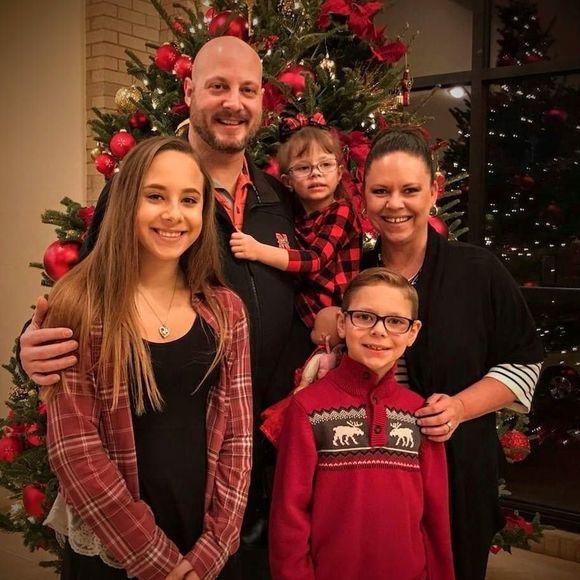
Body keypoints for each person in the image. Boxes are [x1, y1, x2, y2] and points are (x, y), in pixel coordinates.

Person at [19, 36, 308, 576]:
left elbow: (313, 282)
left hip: (248, 470)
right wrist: (31, 345)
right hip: (132, 510)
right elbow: (89, 285)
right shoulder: (132, 187)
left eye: (248, 90)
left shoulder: (280, 199)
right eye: (218, 86)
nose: (233, 103)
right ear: (189, 91)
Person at [43, 136, 252, 580]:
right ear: (126, 202)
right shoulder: (81, 304)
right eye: (155, 196)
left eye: (189, 200)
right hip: (116, 543)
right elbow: (75, 450)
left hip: (200, 539)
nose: (174, 214)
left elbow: (238, 437)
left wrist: (213, 548)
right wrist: (155, 559)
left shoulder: (225, 310)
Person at [360, 128, 544, 580]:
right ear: (363, 196)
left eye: (410, 190)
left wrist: (459, 407)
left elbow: (525, 362)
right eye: (381, 191)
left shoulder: (478, 272)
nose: (395, 204)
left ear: (435, 190)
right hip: (367, 474)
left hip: (458, 474)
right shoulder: (352, 273)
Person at [269, 268, 454, 580]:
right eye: (365, 317)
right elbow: (289, 514)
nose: (379, 331)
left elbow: (436, 517)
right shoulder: (307, 408)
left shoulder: (421, 414)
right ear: (342, 324)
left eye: (396, 321)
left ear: (413, 332)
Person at [230, 120, 361, 331]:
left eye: (325, 164)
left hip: (335, 319)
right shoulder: (292, 215)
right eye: (303, 168)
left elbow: (315, 260)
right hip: (303, 317)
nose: (316, 173)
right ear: (287, 181)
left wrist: (257, 250)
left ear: (339, 173)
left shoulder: (342, 211)